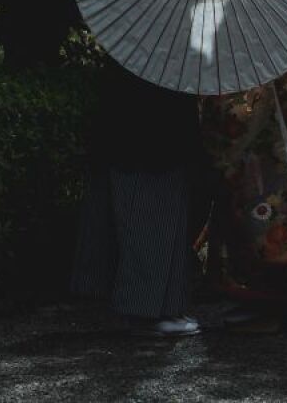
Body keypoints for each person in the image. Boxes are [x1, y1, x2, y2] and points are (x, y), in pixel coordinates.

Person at [196, 49, 287, 334]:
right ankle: (263, 301)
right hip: (271, 141)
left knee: (264, 218)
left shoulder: (260, 36)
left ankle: (268, 303)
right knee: (262, 215)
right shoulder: (283, 37)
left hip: (265, 144)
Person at [71, 58, 205, 336]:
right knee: (151, 220)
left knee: (146, 218)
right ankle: (145, 311)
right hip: (153, 133)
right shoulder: (165, 43)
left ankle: (153, 307)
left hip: (134, 128)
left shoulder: (134, 38)